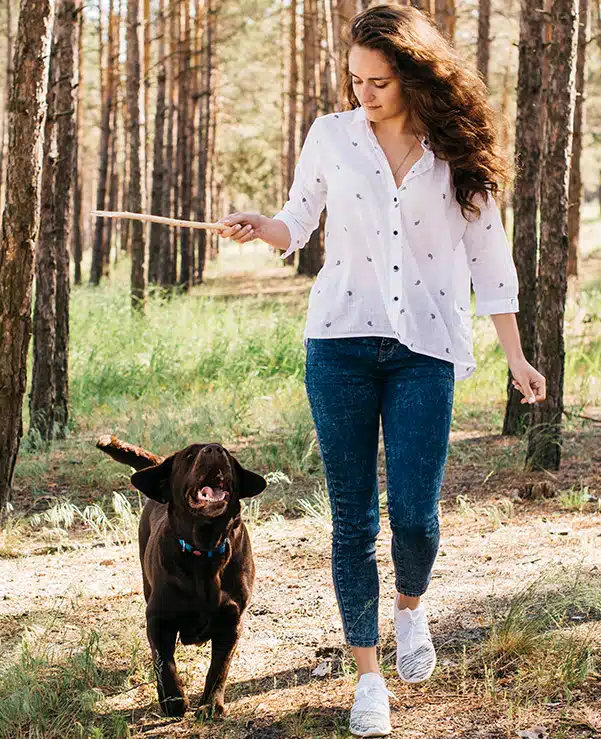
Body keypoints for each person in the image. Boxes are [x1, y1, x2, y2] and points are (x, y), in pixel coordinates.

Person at [213, 4, 546, 737]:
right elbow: (294, 222)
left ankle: (409, 608)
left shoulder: (456, 149)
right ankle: (368, 676)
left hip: (427, 349)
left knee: (416, 518)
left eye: (379, 81)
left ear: (415, 75)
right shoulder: (330, 137)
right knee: (353, 520)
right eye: (354, 79)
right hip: (338, 344)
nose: (363, 92)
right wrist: (257, 226)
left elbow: (490, 259)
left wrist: (514, 354)